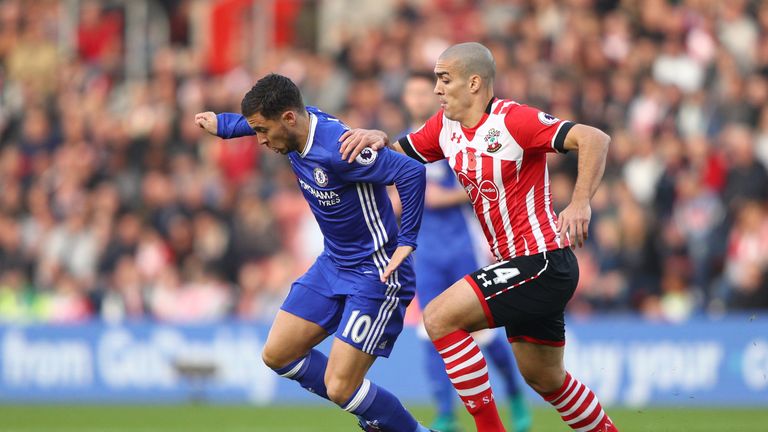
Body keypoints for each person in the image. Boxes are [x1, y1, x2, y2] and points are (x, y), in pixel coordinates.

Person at [340, 43, 617, 432]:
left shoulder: (513, 120)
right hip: (517, 266)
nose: (436, 89)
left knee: (438, 317)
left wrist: (580, 202)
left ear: (474, 82)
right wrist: (377, 137)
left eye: (444, 78)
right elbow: (398, 153)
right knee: (546, 380)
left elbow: (594, 139)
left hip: (542, 259)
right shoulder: (444, 127)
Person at [195, 73, 433, 432]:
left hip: (376, 271)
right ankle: (374, 414)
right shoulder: (297, 124)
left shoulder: (340, 149)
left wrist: (407, 241)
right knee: (277, 354)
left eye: (262, 131)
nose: (260, 140)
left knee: (340, 387)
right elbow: (265, 119)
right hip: (333, 263)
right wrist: (227, 126)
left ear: (289, 119)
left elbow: (412, 173)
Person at [400, 71, 531, 432]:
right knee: (431, 329)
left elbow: (476, 184)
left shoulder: (453, 137)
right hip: (426, 253)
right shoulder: (406, 146)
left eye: (423, 92)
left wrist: (438, 197)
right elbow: (395, 197)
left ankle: (515, 395)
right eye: (410, 93)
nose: (417, 98)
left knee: (485, 332)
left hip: (462, 247)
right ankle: (445, 412)